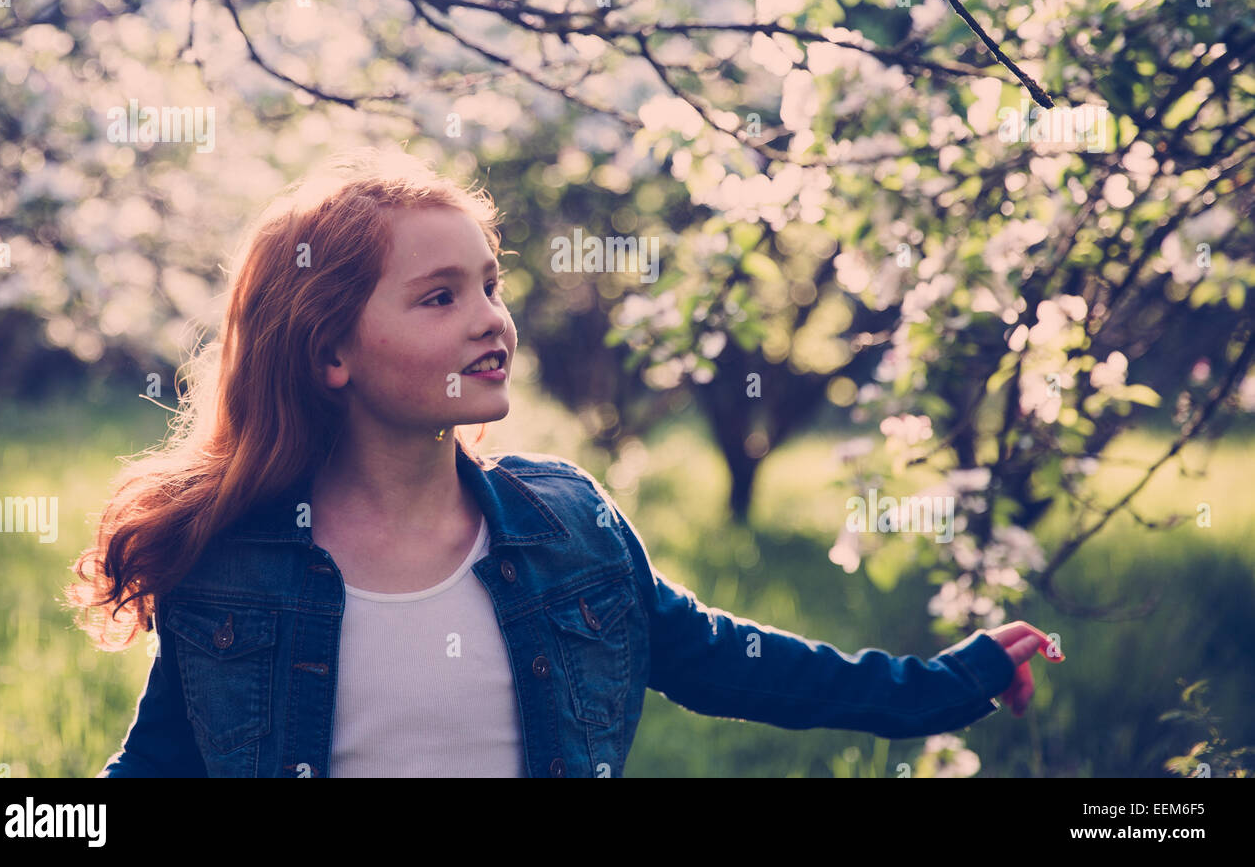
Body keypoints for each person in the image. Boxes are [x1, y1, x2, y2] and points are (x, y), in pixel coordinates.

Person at [70, 147, 1061, 778]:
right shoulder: (235, 564)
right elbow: (155, 770)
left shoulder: (567, 528)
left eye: (489, 285)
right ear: (330, 352)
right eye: (438, 296)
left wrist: (940, 684)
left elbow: (728, 661)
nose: (489, 320)